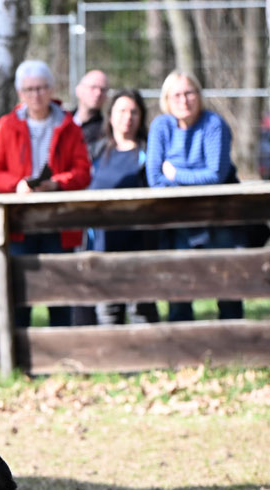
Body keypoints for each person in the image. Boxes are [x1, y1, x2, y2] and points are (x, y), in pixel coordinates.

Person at [0, 59, 92, 327]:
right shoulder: (7, 126)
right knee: (20, 292)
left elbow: (83, 171)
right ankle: (19, 361)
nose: (36, 95)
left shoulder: (68, 126)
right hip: (20, 222)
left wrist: (56, 183)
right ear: (20, 93)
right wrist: (17, 185)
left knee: (60, 289)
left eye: (41, 88)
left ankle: (62, 357)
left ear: (51, 89)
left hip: (58, 222)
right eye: (29, 89)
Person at [146, 71, 242, 322]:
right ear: (167, 98)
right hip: (177, 218)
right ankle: (181, 349)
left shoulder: (213, 124)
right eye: (176, 94)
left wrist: (176, 174)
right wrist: (185, 178)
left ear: (199, 96)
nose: (184, 100)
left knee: (226, 280)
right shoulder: (161, 126)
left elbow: (215, 176)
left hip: (216, 215)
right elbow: (155, 179)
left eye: (189, 93)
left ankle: (235, 345)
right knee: (179, 283)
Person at [84, 89, 160, 325]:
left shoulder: (149, 152)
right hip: (102, 245)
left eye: (134, 112)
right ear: (110, 115)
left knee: (141, 309)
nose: (128, 117)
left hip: (140, 245)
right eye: (122, 111)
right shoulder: (94, 151)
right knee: (107, 310)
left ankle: (149, 361)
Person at [71, 69, 109, 160]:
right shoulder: (62, 121)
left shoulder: (106, 131)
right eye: (93, 87)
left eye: (103, 90)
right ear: (79, 90)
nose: (98, 93)